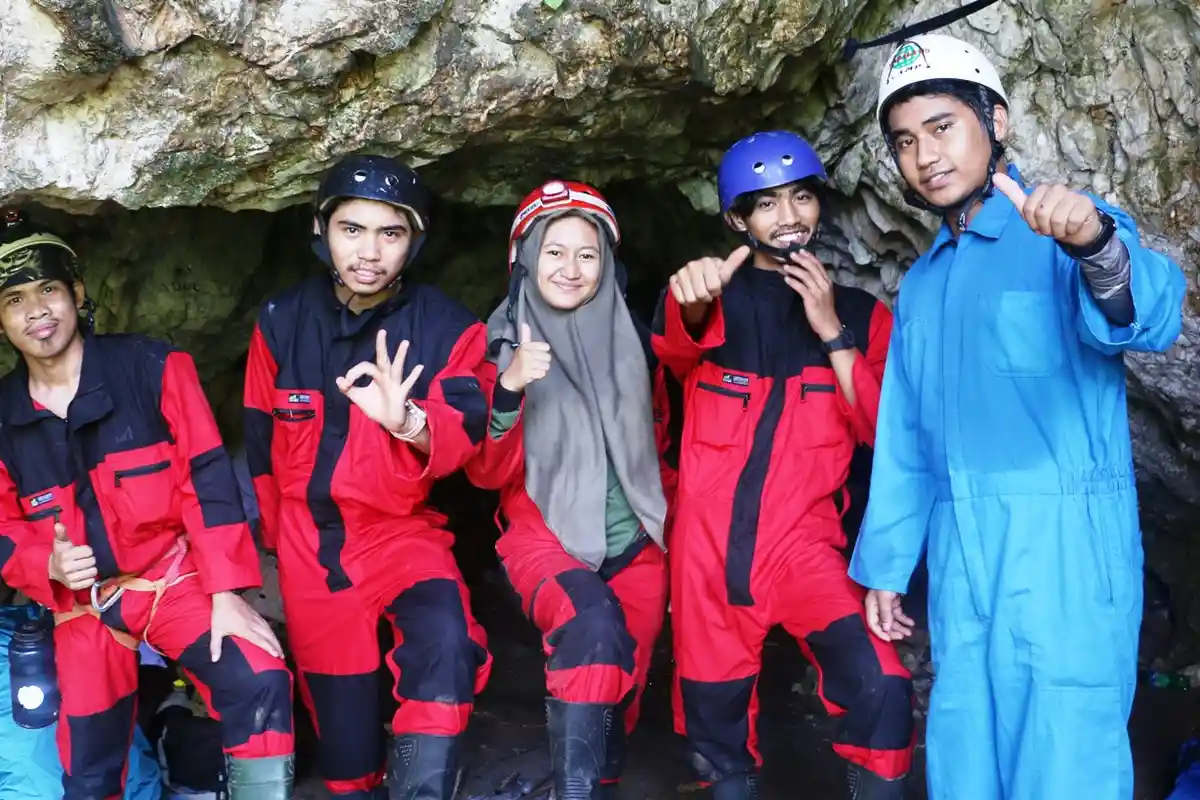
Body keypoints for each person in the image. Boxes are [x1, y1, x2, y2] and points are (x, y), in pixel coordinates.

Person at [849, 32, 1188, 800]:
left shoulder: (1061, 229)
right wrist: (888, 566)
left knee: (1061, 762)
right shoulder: (924, 286)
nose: (925, 155)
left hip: (1064, 553)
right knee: (965, 753)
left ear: (994, 121)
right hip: (963, 556)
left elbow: (1151, 315)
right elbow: (905, 439)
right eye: (905, 142)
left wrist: (1096, 244)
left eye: (943, 127)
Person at [0, 209, 295, 799]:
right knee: (89, 768)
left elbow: (208, 478)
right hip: (80, 607)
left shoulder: (151, 366)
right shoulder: (2, 418)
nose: (37, 310)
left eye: (49, 289)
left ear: (77, 293)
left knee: (259, 681)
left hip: (173, 580)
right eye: (14, 298)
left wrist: (228, 594)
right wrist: (45, 565)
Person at [654, 131, 915, 799]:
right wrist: (690, 299)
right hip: (707, 554)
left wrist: (831, 330)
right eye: (765, 204)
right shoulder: (708, 300)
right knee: (713, 724)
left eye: (801, 197)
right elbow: (672, 353)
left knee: (880, 687)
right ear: (737, 220)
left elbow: (884, 432)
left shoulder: (861, 312)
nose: (789, 216)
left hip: (807, 549)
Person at [242, 154, 493, 800]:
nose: (370, 252)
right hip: (306, 546)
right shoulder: (280, 320)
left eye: (392, 233)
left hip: (399, 534)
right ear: (322, 230)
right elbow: (262, 449)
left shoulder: (448, 327)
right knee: (346, 762)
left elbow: (465, 432)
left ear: (416, 241)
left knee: (448, 644)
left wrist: (408, 420)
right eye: (352, 229)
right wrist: (271, 552)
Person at [465, 180, 676, 799]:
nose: (571, 267)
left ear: (607, 262)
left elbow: (661, 440)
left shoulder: (636, 339)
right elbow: (482, 471)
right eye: (553, 251)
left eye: (588, 253)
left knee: (625, 680)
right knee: (591, 629)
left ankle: (600, 782)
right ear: (525, 257)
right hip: (543, 531)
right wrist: (508, 389)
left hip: (637, 535)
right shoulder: (494, 344)